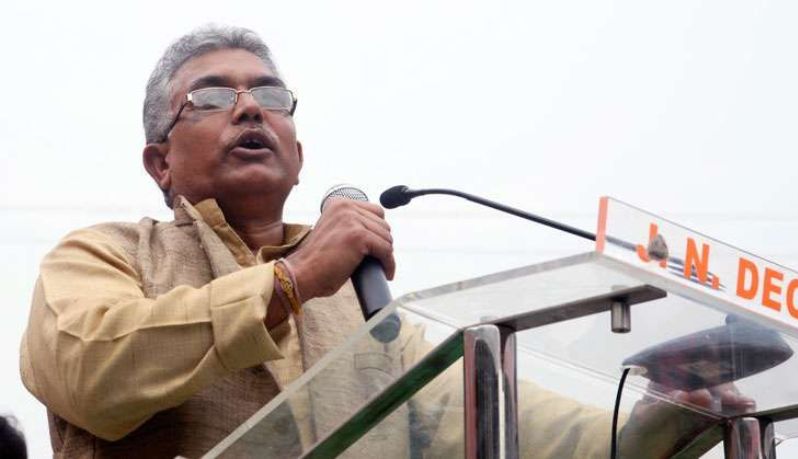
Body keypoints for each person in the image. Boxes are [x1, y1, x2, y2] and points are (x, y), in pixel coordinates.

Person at [20, 24, 750, 458]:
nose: (249, 109)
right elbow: (91, 367)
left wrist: (654, 422)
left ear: (298, 155)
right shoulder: (105, 256)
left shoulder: (363, 310)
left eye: (270, 96)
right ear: (160, 163)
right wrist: (294, 278)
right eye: (212, 96)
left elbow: (510, 424)